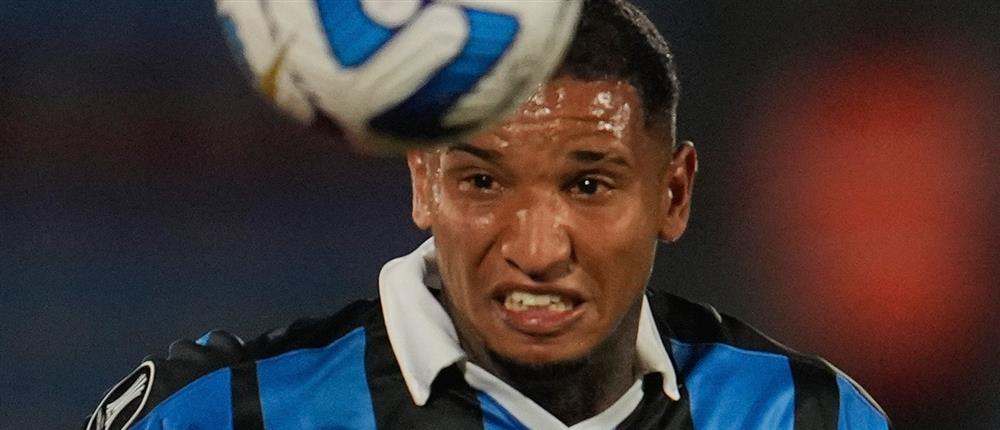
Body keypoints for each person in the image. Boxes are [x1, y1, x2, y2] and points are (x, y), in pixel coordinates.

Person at [84, 0, 891, 429]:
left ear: (673, 195)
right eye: (482, 182)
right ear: (423, 182)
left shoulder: (807, 417)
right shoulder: (222, 417)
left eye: (590, 185)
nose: (536, 250)